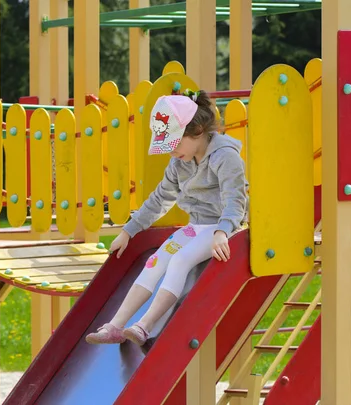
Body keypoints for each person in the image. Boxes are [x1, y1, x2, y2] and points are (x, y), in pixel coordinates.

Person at [85, 90, 249, 346]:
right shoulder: (179, 163)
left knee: (180, 260)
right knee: (155, 260)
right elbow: (160, 199)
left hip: (221, 228)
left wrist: (223, 231)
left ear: (198, 130)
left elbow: (235, 199)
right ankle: (116, 326)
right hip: (195, 228)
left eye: (174, 143)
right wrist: (128, 231)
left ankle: (144, 325)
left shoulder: (225, 157)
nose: (171, 152)